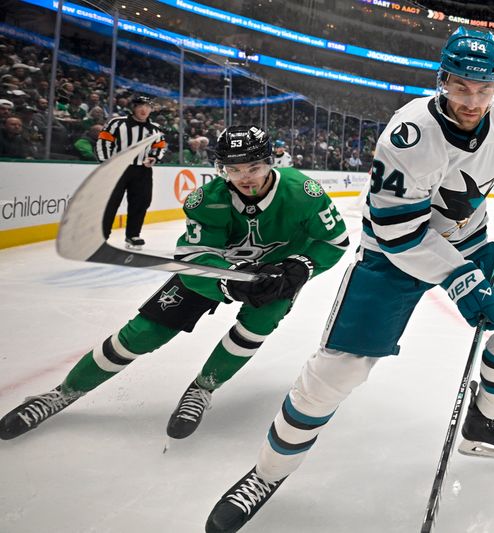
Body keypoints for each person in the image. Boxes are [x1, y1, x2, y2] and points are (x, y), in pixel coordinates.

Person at [205, 27, 494, 533]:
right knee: (337, 372)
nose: (472, 100)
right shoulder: (410, 135)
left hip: (468, 239)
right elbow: (398, 232)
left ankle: (482, 422)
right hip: (392, 255)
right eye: (460, 87)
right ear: (442, 81)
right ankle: (266, 474)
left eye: (484, 88)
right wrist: (459, 279)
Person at [0, 125, 350, 441]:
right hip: (216, 273)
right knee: (142, 333)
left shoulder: (303, 191)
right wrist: (227, 284)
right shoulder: (206, 200)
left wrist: (300, 267)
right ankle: (64, 392)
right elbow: (194, 262)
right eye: (234, 170)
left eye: (254, 168)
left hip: (275, 276)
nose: (245, 178)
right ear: (221, 169)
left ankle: (202, 388)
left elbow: (334, 243)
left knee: (257, 325)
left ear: (270, 162)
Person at [96, 95, 167, 249]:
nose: (144, 109)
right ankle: (101, 236)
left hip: (142, 171)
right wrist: (107, 163)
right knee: (110, 203)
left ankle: (133, 235)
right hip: (118, 169)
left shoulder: (154, 129)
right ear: (133, 107)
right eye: (140, 106)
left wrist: (154, 158)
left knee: (141, 202)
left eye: (147, 106)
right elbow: (104, 140)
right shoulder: (117, 123)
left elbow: (160, 146)